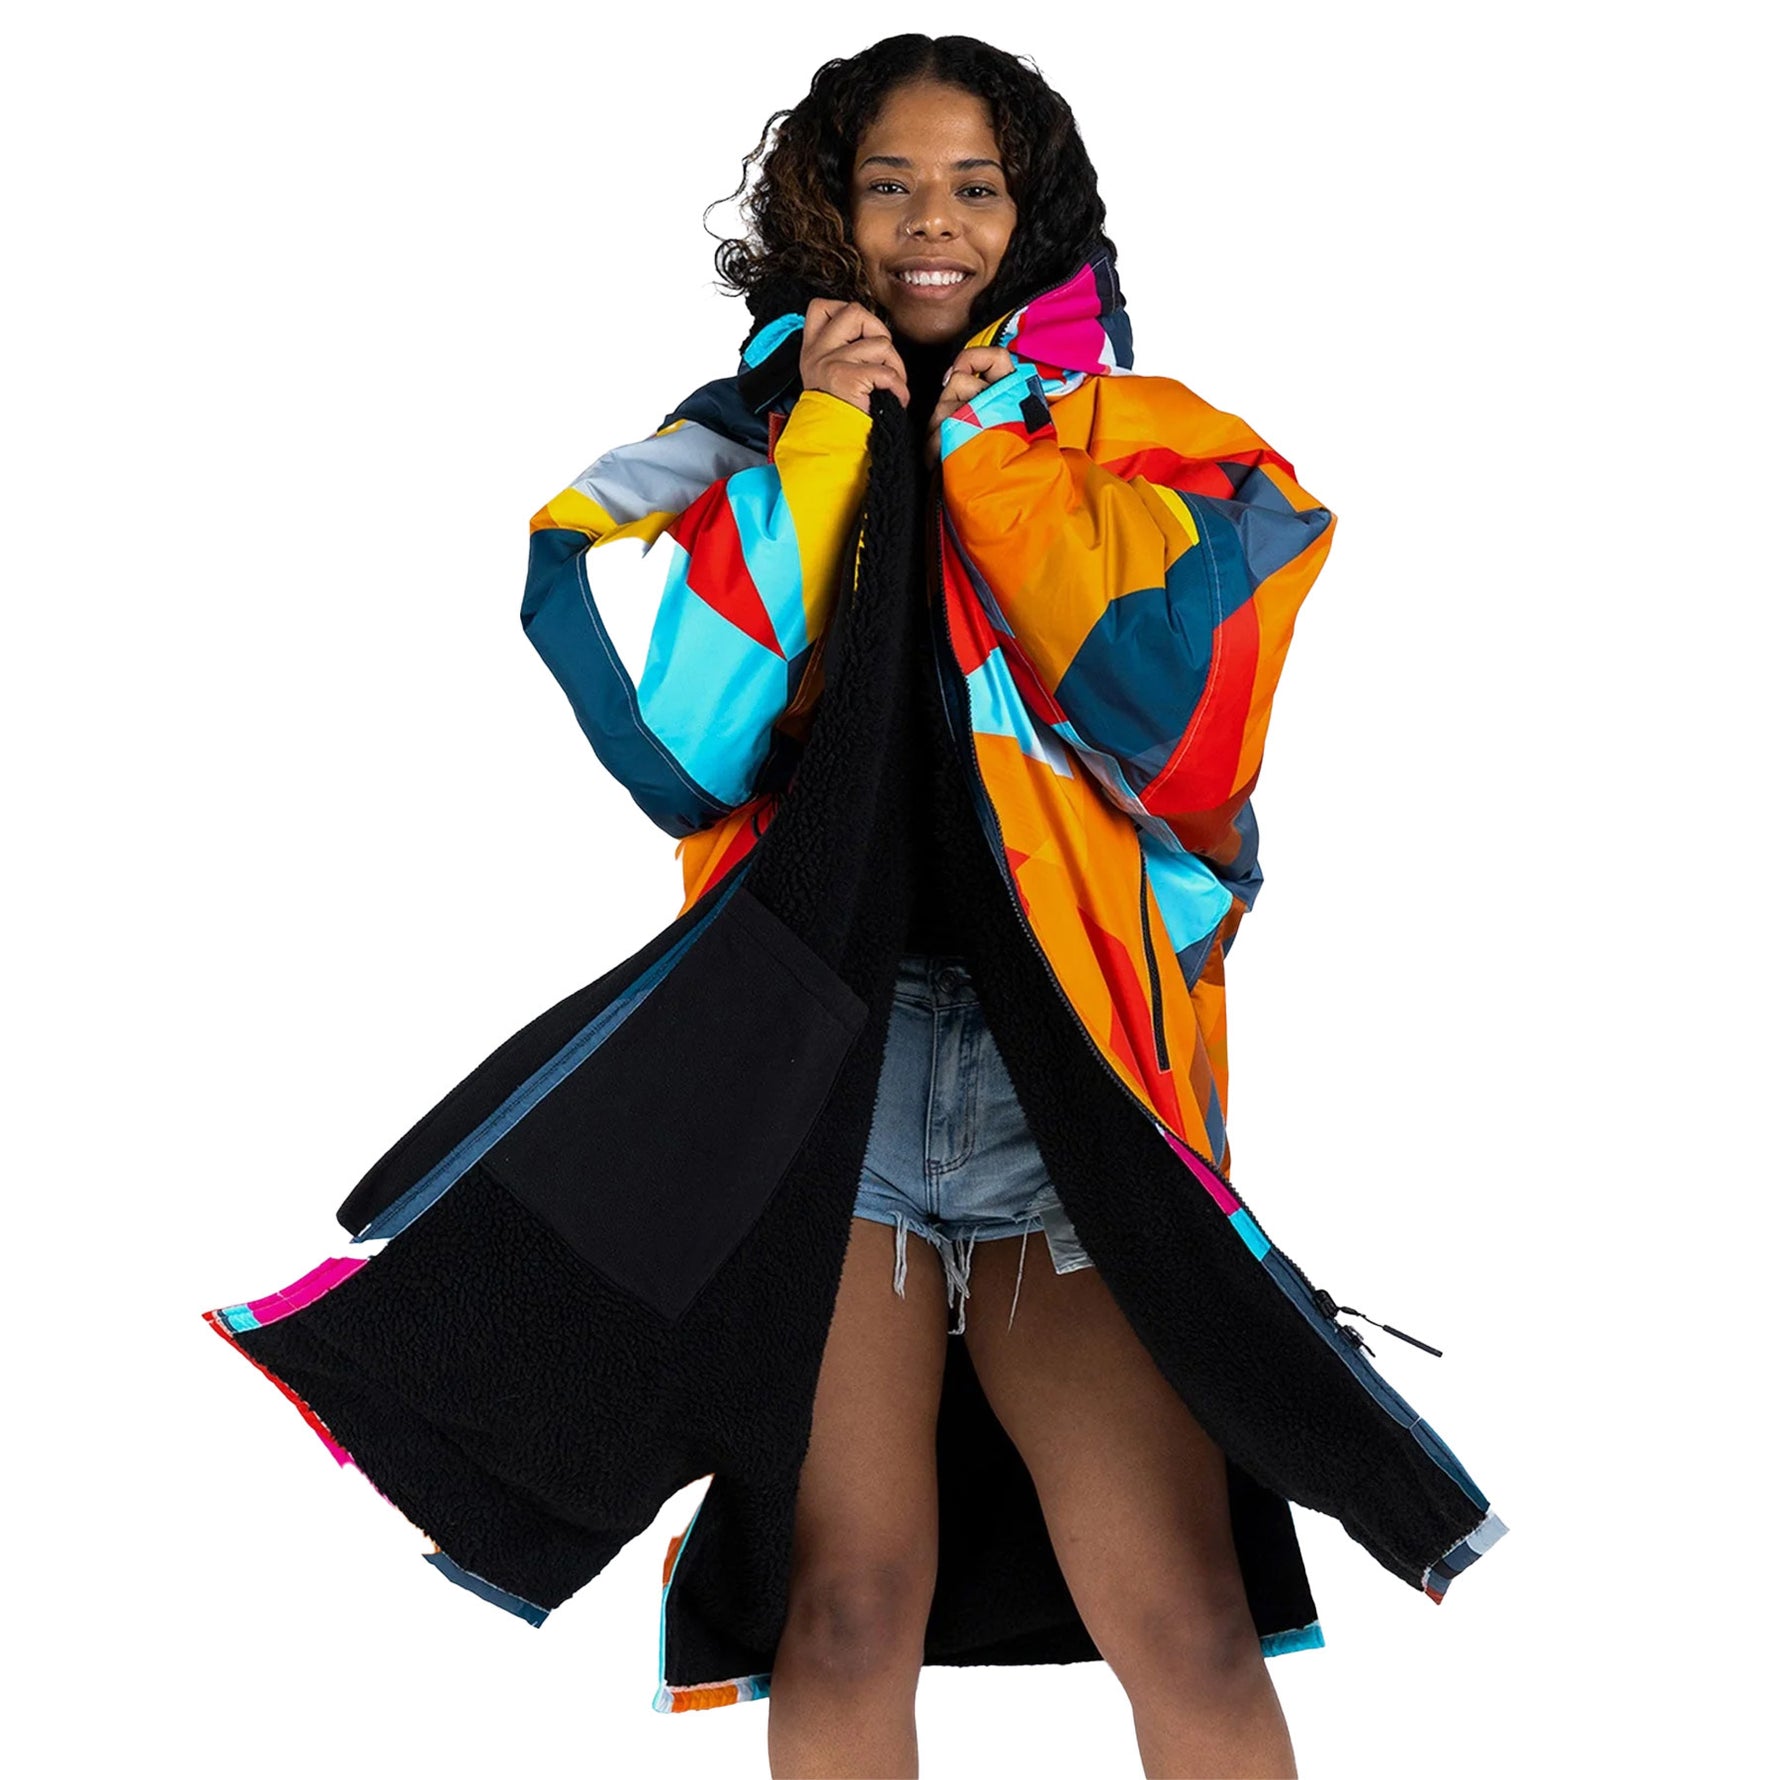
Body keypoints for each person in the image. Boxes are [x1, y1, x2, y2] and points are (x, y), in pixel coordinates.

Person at [701, 36, 1303, 1779]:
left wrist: (983, 453)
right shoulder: (752, 436)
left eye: (974, 185)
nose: (932, 224)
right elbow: (685, 737)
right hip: (833, 1071)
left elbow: (1180, 718)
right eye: (890, 183)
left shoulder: (1142, 441)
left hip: (1071, 1077)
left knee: (1184, 1622)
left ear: (1030, 211)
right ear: (833, 205)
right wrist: (832, 438)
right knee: (841, 1610)